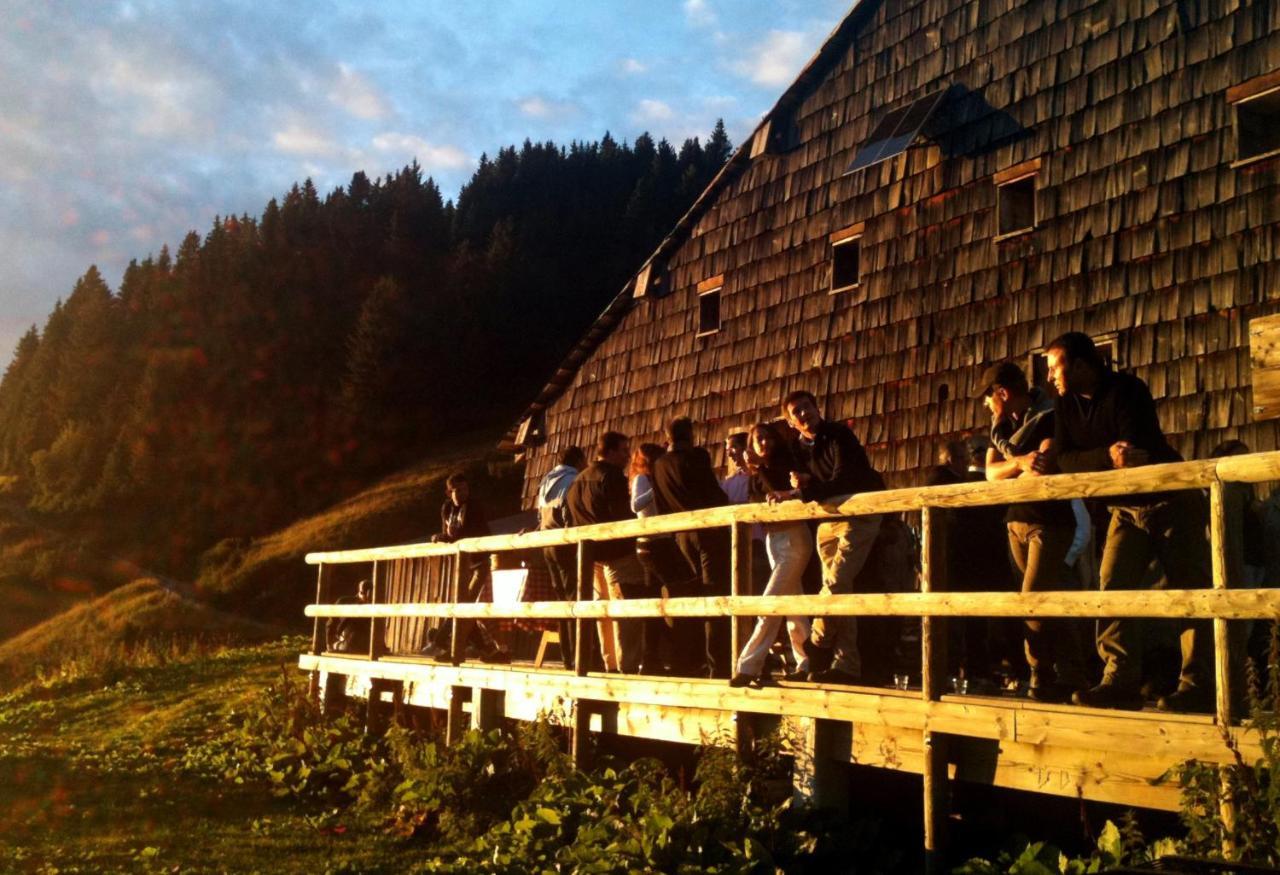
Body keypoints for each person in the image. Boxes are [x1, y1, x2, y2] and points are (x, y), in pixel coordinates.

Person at [1041, 332, 1212, 711]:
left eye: (1055, 367)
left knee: (1189, 590)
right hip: (1124, 508)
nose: (1050, 376)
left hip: (1168, 498)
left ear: (1081, 365)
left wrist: (1107, 456)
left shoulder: (1127, 390)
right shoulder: (1064, 406)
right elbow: (1065, 459)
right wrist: (1105, 455)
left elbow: (1133, 449)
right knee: (1113, 585)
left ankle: (1198, 683)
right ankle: (1120, 678)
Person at [978, 361, 1086, 702]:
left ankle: (1039, 673)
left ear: (1002, 393)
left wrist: (1021, 465)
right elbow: (991, 474)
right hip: (1015, 520)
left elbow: (1043, 464)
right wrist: (1020, 462)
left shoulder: (1049, 415)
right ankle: (1072, 672)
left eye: (989, 400)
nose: (988, 408)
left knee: (1033, 600)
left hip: (1049, 519)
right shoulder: (1003, 427)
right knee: (1047, 597)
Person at [779, 389, 886, 685]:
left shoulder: (838, 434)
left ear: (816, 408)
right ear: (791, 422)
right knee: (841, 589)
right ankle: (847, 665)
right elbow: (814, 482)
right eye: (796, 412)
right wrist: (802, 484)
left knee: (836, 581)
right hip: (827, 519)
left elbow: (847, 476)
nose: (804, 413)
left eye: (806, 407)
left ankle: (818, 644)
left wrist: (808, 489)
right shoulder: (797, 448)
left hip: (858, 514)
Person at [731, 422, 813, 687]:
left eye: (766, 438)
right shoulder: (757, 475)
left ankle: (747, 665)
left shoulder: (783, 464)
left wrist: (760, 467)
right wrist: (755, 467)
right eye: (757, 440)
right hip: (772, 540)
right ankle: (807, 661)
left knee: (770, 603)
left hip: (793, 536)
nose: (763, 443)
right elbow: (758, 501)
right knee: (793, 605)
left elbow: (782, 489)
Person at [652, 417, 731, 677]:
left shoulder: (659, 465)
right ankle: (717, 664)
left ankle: (694, 660)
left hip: (680, 535)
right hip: (706, 532)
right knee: (713, 594)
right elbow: (713, 494)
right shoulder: (696, 459)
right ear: (691, 435)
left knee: (694, 595)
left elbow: (661, 504)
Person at [566, 431, 648, 673]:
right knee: (626, 611)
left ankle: (610, 663)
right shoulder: (611, 477)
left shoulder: (577, 482)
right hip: (618, 553)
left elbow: (569, 518)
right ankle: (628, 666)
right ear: (610, 452)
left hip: (591, 557)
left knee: (603, 614)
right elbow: (621, 516)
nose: (627, 456)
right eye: (623, 450)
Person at [629, 443, 693, 675]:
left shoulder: (656, 478)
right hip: (652, 544)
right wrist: (656, 486)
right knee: (682, 589)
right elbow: (636, 505)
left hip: (662, 542)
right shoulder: (642, 480)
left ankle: (652, 659)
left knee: (654, 599)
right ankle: (680, 657)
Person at [433, 472, 509, 665]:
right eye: (457, 490)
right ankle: (486, 648)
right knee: (466, 606)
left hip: (480, 562)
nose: (462, 493)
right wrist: (442, 537)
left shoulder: (473, 506)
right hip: (462, 564)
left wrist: (448, 538)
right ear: (449, 492)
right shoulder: (447, 508)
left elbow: (466, 532)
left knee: (465, 605)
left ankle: (449, 645)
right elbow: (447, 531)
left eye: (465, 489)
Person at [536, 446, 587, 670]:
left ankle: (567, 656)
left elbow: (540, 513)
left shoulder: (547, 479)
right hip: (564, 543)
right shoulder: (572, 479)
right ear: (578, 460)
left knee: (561, 601)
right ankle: (578, 655)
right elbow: (569, 512)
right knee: (573, 598)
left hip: (547, 542)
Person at [327, 578, 372, 654]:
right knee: (340, 645)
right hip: (349, 645)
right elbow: (331, 623)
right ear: (359, 592)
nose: (366, 597)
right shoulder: (345, 602)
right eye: (363, 593)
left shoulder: (375, 607)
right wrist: (329, 643)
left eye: (369, 594)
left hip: (365, 646)